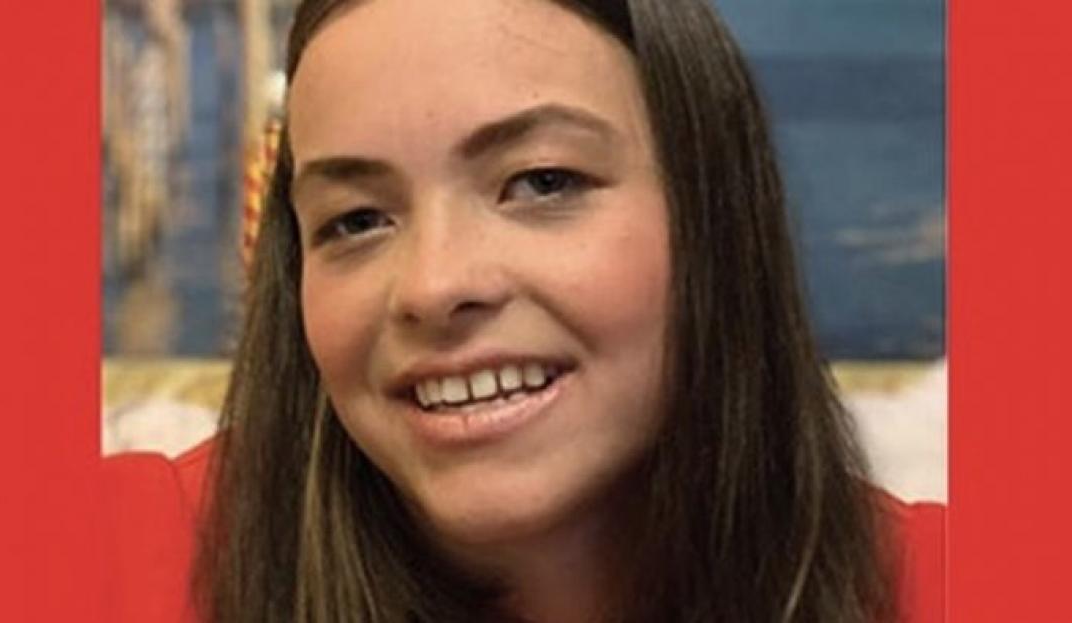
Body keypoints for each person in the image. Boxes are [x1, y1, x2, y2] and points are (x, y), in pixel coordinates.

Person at [104, 1, 945, 621]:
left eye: (542, 181)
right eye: (356, 220)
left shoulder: (943, 585)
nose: (432, 286)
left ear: (715, 214)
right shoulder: (121, 556)